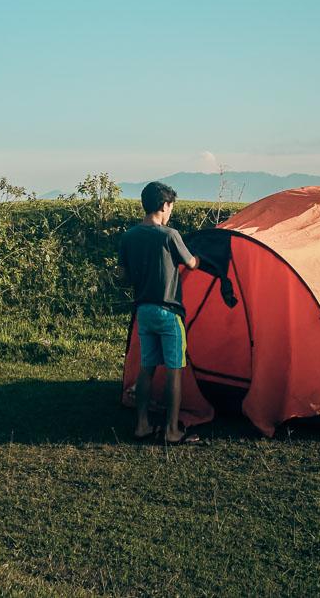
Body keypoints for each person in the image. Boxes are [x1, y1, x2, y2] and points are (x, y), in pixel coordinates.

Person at [117, 181, 201, 445]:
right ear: (164, 205)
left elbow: (122, 276)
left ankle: (142, 425)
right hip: (168, 312)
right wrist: (199, 258)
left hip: (143, 311)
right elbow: (190, 263)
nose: (171, 212)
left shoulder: (128, 237)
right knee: (174, 370)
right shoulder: (169, 235)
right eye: (171, 207)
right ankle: (171, 431)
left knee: (147, 368)